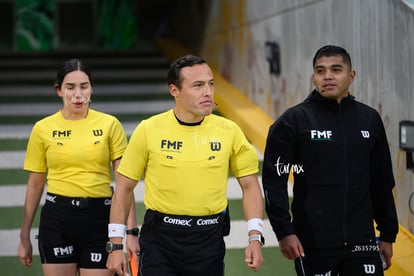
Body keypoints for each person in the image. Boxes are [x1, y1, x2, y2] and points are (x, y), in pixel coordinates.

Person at [106, 54, 264, 276]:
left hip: (208, 240)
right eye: (198, 86)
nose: (208, 92)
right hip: (160, 240)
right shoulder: (148, 130)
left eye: (210, 84)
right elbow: (123, 189)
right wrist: (115, 245)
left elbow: (249, 186)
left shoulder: (230, 131)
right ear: (174, 91)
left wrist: (255, 237)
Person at [262, 45, 399, 276]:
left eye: (336, 69)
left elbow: (382, 181)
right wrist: (285, 231)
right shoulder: (293, 122)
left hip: (362, 241)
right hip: (313, 243)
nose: (328, 76)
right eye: (320, 71)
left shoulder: (370, 120)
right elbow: (274, 182)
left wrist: (387, 234)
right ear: (313, 77)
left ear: (351, 76)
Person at [17, 58, 139, 276]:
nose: (78, 93)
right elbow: (35, 184)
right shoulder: (42, 128)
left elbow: (124, 183)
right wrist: (24, 235)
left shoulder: (110, 124)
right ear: (58, 90)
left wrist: (130, 232)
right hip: (57, 220)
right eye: (70, 87)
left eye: (84, 86)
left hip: (100, 218)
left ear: (91, 89)